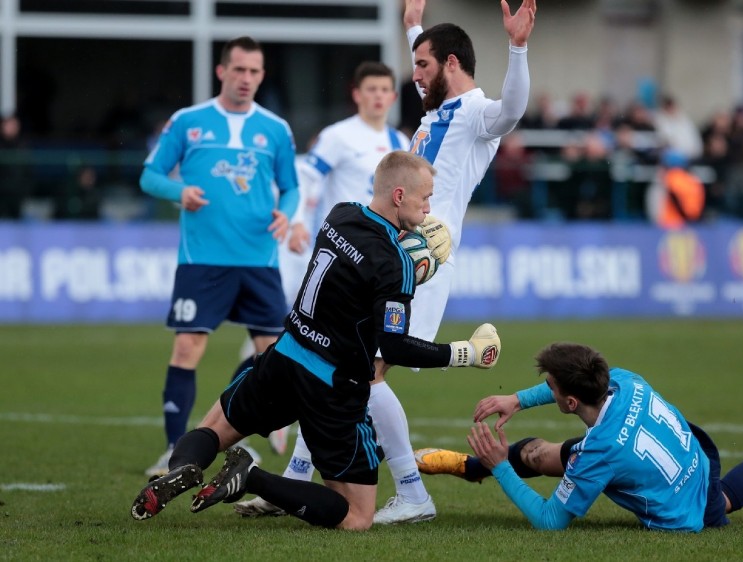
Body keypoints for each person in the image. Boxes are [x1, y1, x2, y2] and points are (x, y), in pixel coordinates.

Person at [246, 0, 535, 526]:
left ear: (451, 64)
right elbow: (431, 69)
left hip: (420, 267)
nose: (414, 75)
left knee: (368, 372)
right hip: (387, 259)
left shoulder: (474, 115)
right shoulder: (435, 114)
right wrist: (412, 28)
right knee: (340, 369)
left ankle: (411, 491)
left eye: (423, 65)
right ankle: (295, 481)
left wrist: (517, 47)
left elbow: (512, 111)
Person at [129, 151, 502, 531]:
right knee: (357, 516)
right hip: (331, 386)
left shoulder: (340, 215)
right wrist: (465, 353)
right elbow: (394, 347)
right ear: (400, 196)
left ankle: (181, 468)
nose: (429, 207)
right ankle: (251, 478)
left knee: (215, 428)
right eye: (425, 198)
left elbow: (355, 270)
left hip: (285, 356)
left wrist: (399, 243)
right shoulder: (395, 264)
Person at [231, 60, 411, 513]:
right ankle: (264, 416)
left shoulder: (400, 143)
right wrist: (294, 222)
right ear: (357, 93)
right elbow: (308, 179)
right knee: (340, 367)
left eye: (384, 89)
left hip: (369, 276)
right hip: (331, 264)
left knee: (344, 370)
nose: (377, 96)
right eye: (369, 88)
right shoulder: (337, 135)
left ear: (392, 96)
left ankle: (287, 468)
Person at [415, 341, 743, 532]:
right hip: (683, 450)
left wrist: (502, 468)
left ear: (572, 402)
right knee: (542, 455)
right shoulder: (622, 380)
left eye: (552, 389)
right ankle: (466, 467)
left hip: (682, 499)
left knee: (721, 500)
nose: (550, 392)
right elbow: (574, 399)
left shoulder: (598, 452)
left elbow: (550, 521)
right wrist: (519, 400)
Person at [139, 36, 299, 477]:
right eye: (239, 70)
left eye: (255, 72)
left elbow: (292, 188)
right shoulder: (188, 122)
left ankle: (237, 438)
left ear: (262, 76)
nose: (246, 79)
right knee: (188, 347)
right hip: (202, 261)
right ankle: (175, 451)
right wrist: (179, 191)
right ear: (222, 71)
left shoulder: (275, 129)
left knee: (276, 359)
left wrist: (286, 216)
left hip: (259, 260)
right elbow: (150, 176)